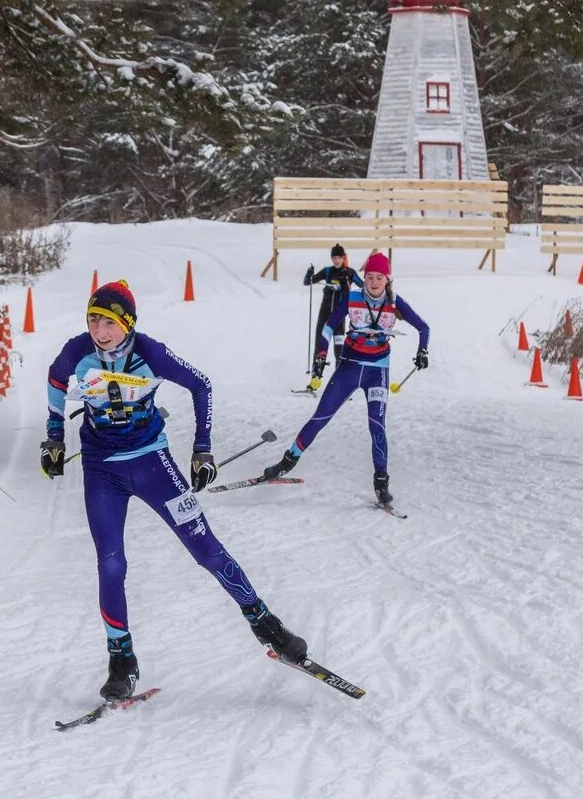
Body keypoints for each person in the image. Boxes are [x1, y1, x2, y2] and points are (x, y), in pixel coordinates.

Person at [41, 280, 309, 701]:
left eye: (108, 322)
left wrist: (202, 449)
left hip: (153, 463)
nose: (100, 330)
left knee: (206, 549)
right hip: (102, 469)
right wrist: (54, 437)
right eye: (93, 320)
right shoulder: (77, 352)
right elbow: (56, 381)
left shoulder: (151, 352)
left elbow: (201, 384)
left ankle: (266, 624)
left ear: (126, 323)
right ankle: (121, 659)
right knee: (111, 565)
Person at [263, 252, 429, 505]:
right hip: (349, 368)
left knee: (377, 426)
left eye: (379, 277)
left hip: (377, 371)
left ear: (387, 279)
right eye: (370, 277)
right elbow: (329, 326)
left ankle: (381, 482)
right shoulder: (352, 298)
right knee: (320, 418)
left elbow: (424, 327)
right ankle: (287, 462)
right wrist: (320, 353)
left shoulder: (395, 303)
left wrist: (422, 351)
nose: (373, 282)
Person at [303, 244, 363, 371]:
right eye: (334, 258)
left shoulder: (349, 272)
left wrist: (346, 283)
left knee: (339, 350)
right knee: (319, 346)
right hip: (324, 314)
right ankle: (315, 377)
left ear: (343, 258)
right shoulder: (327, 271)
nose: (336, 261)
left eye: (339, 258)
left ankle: (338, 380)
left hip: (339, 317)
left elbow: (364, 286)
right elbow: (308, 282)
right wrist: (309, 274)